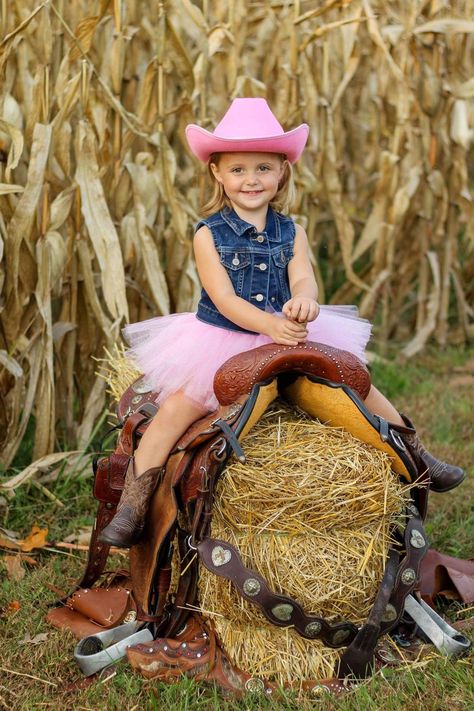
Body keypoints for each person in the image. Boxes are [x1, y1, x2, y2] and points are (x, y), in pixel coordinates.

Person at [99, 98, 465, 548]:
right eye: (238, 170)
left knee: (354, 381)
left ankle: (417, 454)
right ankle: (134, 503)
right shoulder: (207, 233)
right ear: (217, 172)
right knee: (177, 410)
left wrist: (306, 303)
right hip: (224, 339)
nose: (251, 179)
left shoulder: (292, 231)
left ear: (282, 172)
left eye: (263, 169)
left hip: (285, 333)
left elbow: (303, 277)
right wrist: (269, 326)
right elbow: (225, 299)